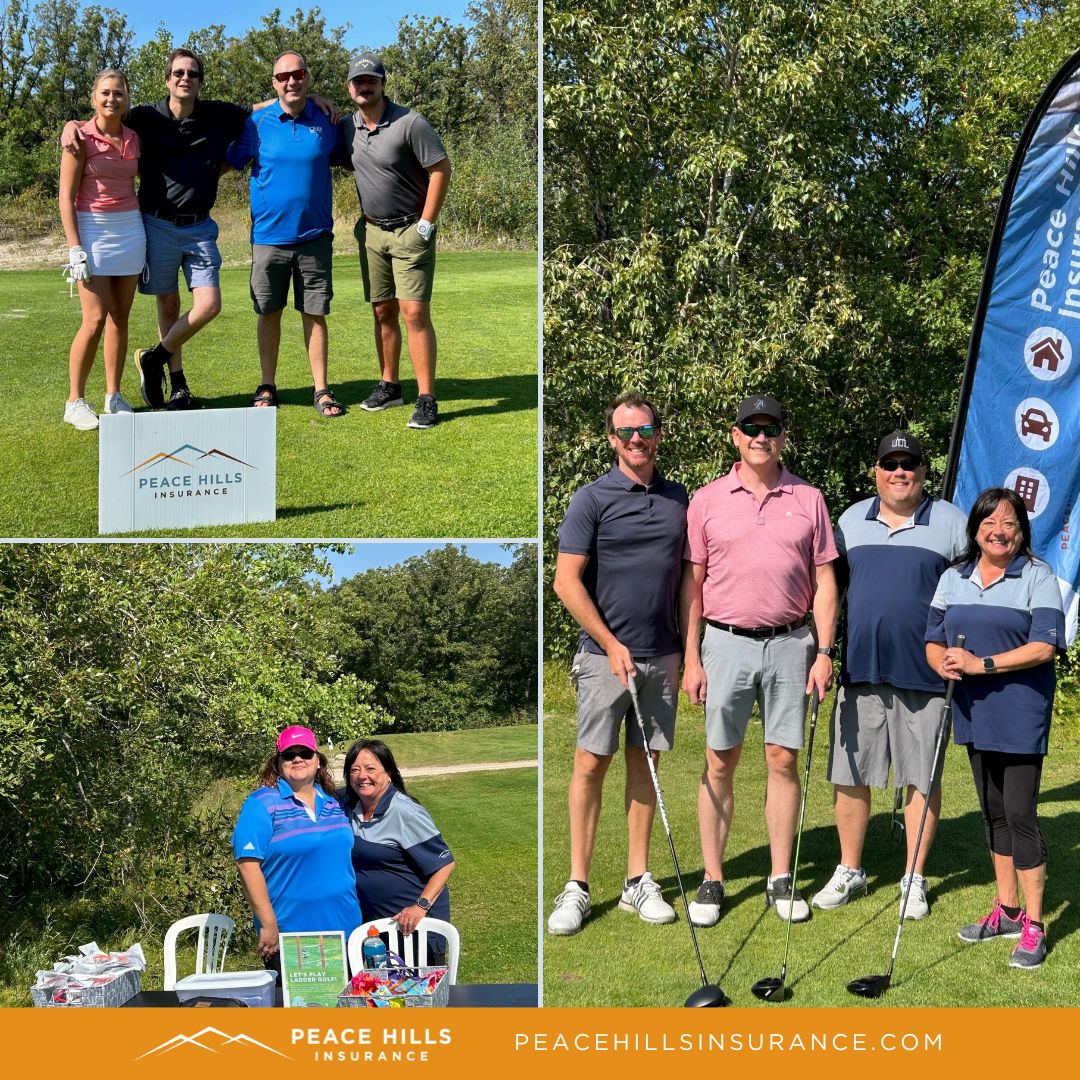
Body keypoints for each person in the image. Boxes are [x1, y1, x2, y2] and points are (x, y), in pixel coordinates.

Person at [62, 48, 339, 412]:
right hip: (155, 223)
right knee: (169, 303)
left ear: (200, 81)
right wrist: (73, 125)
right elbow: (108, 114)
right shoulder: (145, 117)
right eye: (178, 73)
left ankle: (154, 358)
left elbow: (263, 109)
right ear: (167, 79)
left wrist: (312, 98)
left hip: (200, 227)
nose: (185, 78)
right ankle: (178, 387)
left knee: (208, 305)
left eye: (192, 74)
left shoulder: (217, 114)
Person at [682, 394, 838, 926]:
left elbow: (824, 582)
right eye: (751, 428)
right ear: (735, 435)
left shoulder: (809, 498)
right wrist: (691, 658)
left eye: (770, 430)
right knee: (719, 760)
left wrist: (824, 650)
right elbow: (693, 585)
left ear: (782, 439)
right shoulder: (705, 500)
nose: (760, 438)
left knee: (782, 760)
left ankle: (779, 877)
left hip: (793, 644)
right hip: (724, 643)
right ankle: (712, 878)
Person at [547, 392, 689, 935]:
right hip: (604, 660)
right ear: (612, 440)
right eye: (626, 431)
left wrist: (686, 653)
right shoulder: (591, 499)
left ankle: (637, 881)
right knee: (590, 765)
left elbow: (690, 583)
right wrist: (609, 643)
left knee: (645, 766)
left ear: (657, 435)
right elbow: (566, 582)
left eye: (646, 430)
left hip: (662, 658)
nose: (637, 439)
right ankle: (577, 886)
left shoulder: (680, 499)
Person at [812, 432, 967, 919]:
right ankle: (851, 869)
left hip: (926, 673)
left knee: (921, 776)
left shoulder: (951, 522)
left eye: (910, 464)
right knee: (850, 773)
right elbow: (829, 589)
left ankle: (913, 878)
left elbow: (969, 591)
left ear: (924, 470)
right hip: (862, 667)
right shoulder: (850, 520)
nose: (900, 472)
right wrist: (824, 649)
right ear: (875, 470)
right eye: (890, 464)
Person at [926, 488, 1063, 969]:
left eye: (1009, 523)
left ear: (1021, 531)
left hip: (1020, 713)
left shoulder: (1039, 576)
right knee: (993, 813)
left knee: (1021, 813)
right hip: (973, 712)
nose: (998, 531)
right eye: (989, 523)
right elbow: (933, 637)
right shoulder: (953, 577)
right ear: (976, 529)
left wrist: (980, 663)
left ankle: (1035, 924)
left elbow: (1043, 648)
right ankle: (1006, 910)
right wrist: (942, 663)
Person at [225, 51, 345, 418]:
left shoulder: (328, 122)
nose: (291, 81)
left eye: (298, 74)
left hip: (314, 237)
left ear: (308, 77)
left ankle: (322, 389)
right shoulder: (256, 123)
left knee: (314, 314)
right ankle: (267, 384)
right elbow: (227, 161)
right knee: (269, 312)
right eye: (283, 77)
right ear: (274, 82)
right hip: (268, 239)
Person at [339, 53, 451, 430]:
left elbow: (440, 168)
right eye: (357, 81)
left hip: (409, 230)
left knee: (414, 314)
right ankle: (390, 385)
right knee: (382, 311)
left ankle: (426, 398)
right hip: (371, 232)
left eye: (371, 79)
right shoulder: (345, 127)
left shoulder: (410, 122)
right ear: (349, 87)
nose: (364, 86)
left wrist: (426, 223)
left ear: (383, 82)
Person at [232, 725, 362, 977]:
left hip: (346, 930)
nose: (298, 759)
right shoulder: (261, 804)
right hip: (292, 935)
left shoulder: (333, 803)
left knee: (348, 1011)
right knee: (303, 1011)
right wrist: (268, 924)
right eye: (289, 755)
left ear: (318, 761)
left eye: (305, 752)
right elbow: (247, 865)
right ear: (278, 763)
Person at [58, 70, 144, 430]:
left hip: (130, 229)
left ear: (127, 99)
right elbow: (65, 197)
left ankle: (113, 395)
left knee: (119, 318)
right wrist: (74, 247)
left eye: (119, 94)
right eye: (105, 93)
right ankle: (75, 401)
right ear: (94, 99)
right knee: (94, 320)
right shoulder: (80, 136)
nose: (112, 99)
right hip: (93, 230)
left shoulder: (135, 136)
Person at [339, 739, 455, 958]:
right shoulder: (347, 805)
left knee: (417, 990)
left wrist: (420, 907)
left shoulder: (405, 812)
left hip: (413, 929)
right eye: (354, 770)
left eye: (371, 768)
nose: (362, 776)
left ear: (389, 773)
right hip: (375, 929)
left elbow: (445, 864)